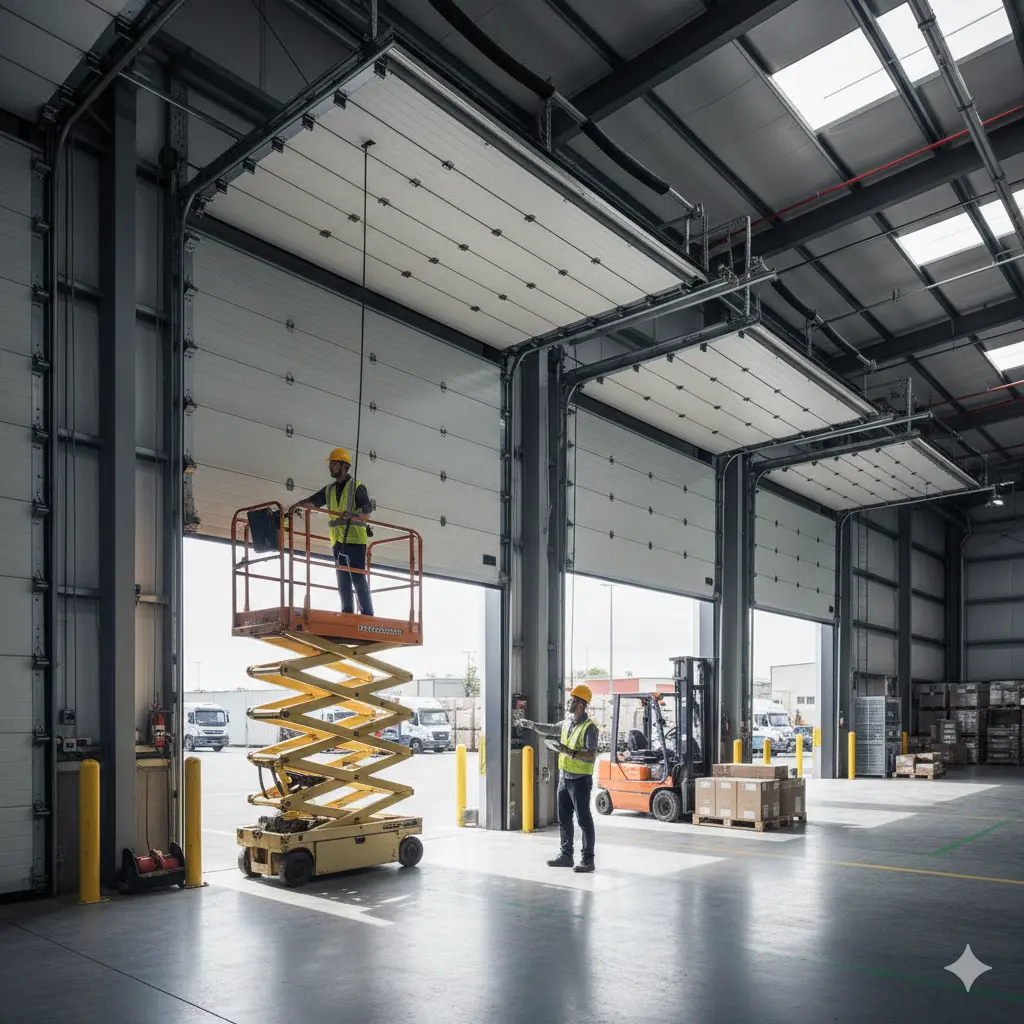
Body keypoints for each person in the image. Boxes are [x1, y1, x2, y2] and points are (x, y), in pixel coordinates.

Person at [522, 684, 599, 873]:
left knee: (583, 819)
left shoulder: (590, 728)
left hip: (580, 780)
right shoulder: (566, 723)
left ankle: (588, 860)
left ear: (581, 704)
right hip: (565, 778)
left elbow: (591, 754)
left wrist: (569, 752)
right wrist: (529, 724)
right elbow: (548, 729)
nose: (569, 702)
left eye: (572, 699)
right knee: (564, 818)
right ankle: (566, 856)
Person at [301, 447, 375, 616]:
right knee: (342, 580)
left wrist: (357, 515)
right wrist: (300, 505)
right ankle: (347, 613)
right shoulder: (329, 490)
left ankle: (367, 615)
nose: (330, 467)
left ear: (344, 466)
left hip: (355, 541)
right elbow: (313, 501)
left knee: (357, 578)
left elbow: (367, 511)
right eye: (331, 464)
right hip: (338, 542)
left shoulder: (357, 487)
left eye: (334, 463)